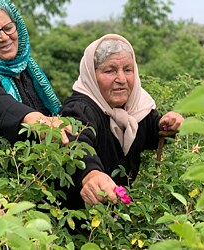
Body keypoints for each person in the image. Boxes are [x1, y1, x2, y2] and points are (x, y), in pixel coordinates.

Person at [59, 34, 184, 209]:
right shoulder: (80, 109)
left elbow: (151, 131)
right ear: (91, 76)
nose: (121, 79)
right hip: (81, 223)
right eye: (110, 71)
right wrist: (91, 174)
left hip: (118, 220)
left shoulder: (135, 107)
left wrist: (167, 125)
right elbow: (75, 142)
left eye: (128, 69)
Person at [0, 0, 71, 144]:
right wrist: (30, 118)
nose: (4, 37)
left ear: (17, 26)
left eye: (8, 28)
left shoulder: (29, 70)